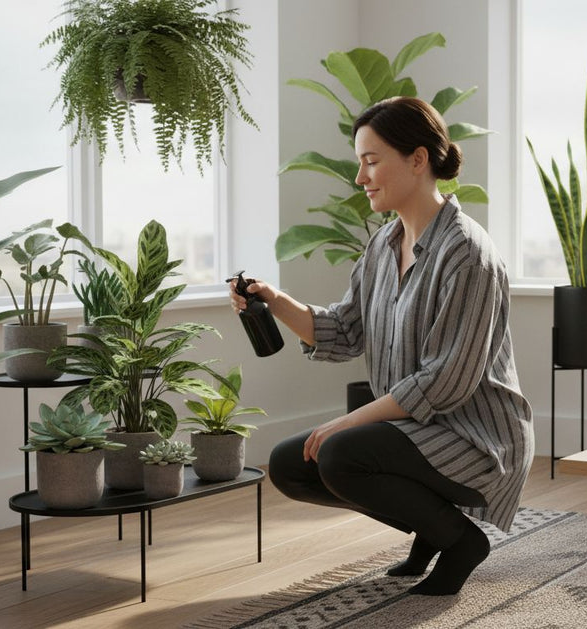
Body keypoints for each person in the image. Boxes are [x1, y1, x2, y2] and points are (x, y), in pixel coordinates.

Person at [229, 96, 534, 596]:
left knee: (340, 453)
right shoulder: (383, 244)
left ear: (418, 159)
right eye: (359, 163)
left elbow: (446, 382)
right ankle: (432, 529)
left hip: (476, 439)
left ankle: (460, 541)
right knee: (289, 465)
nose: (360, 177)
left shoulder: (468, 254)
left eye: (371, 161)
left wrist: (347, 421)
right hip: (415, 429)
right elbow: (346, 330)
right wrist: (274, 300)